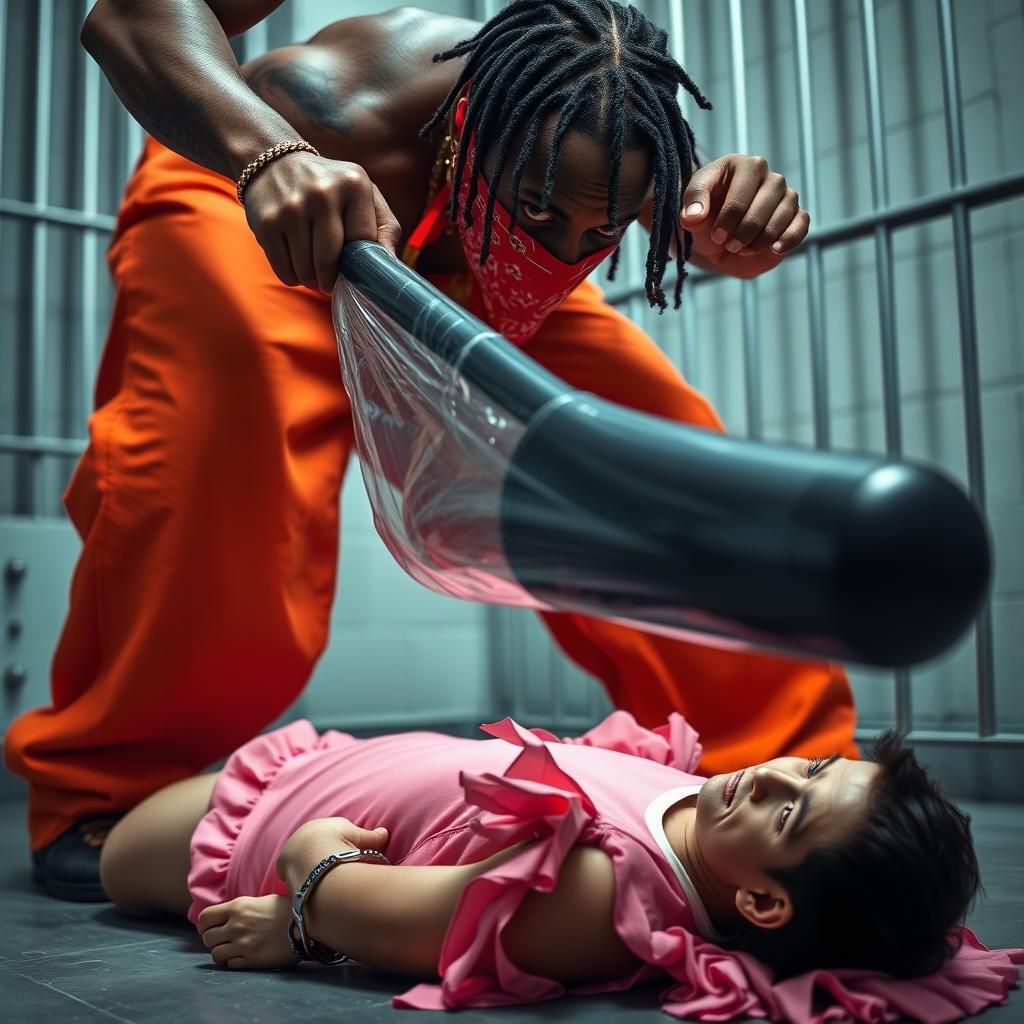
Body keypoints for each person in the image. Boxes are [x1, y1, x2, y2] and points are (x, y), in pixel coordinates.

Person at [4, 0, 860, 902]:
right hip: (256, 194)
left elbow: (660, 230)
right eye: (543, 212)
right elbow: (127, 19)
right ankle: (105, 793)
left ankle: (792, 771)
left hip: (467, 263)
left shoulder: (605, 139)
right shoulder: (333, 98)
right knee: (218, 467)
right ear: (464, 134)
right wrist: (275, 155)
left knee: (661, 463)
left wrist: (726, 231)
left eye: (596, 236)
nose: (568, 250)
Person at [96, 709, 1021, 1020]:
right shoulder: (690, 794)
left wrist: (306, 893)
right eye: (811, 768)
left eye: (793, 814)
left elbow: (416, 925)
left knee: (118, 860)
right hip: (338, 761)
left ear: (764, 904)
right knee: (144, 810)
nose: (776, 775)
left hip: (283, 828)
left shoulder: (601, 889)